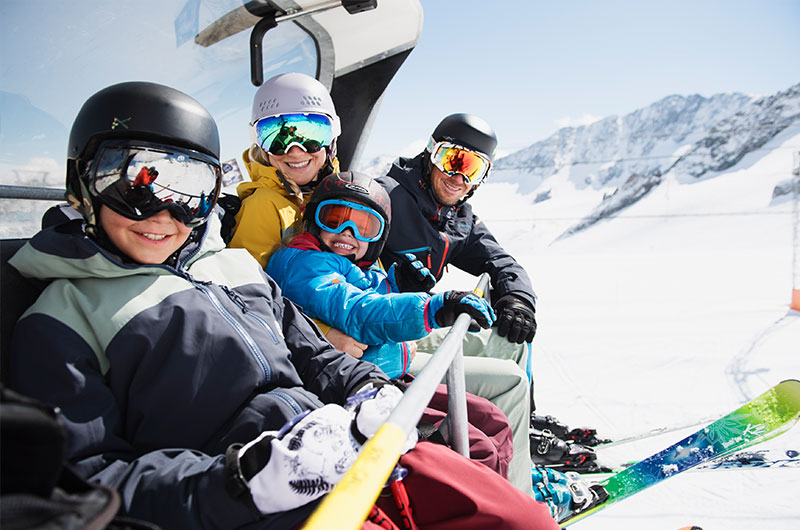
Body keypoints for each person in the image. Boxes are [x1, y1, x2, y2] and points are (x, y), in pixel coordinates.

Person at [7, 81, 560, 529]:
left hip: (344, 447)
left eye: (189, 188)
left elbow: (315, 353)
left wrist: (367, 388)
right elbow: (88, 484)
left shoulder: (232, 268)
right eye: (134, 181)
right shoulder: (62, 316)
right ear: (83, 181)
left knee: (516, 519)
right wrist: (246, 479)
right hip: (257, 503)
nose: (162, 212)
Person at [377, 113, 538, 496]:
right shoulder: (387, 198)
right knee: (509, 377)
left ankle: (521, 439)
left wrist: (517, 298)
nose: (459, 177)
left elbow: (501, 262)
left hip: (420, 326)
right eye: (454, 159)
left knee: (513, 339)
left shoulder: (456, 217)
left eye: (474, 168)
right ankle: (515, 499)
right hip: (386, 335)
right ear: (433, 153)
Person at [228, 71, 367, 359]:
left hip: (356, 328)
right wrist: (322, 334)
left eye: (311, 134)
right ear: (261, 146)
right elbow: (249, 300)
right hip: (309, 352)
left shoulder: (337, 198)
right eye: (276, 136)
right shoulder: (264, 205)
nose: (294, 150)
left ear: (331, 139)